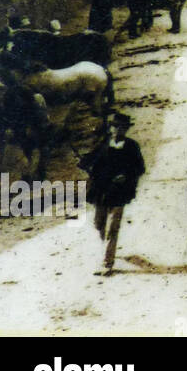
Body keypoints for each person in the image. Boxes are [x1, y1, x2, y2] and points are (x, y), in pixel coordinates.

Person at [78, 112, 146, 276]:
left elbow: (140, 168)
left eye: (122, 127)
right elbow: (90, 160)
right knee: (98, 224)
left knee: (112, 228)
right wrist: (82, 162)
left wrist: (127, 175)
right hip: (101, 191)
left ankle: (107, 262)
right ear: (111, 128)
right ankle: (108, 251)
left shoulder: (132, 147)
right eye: (115, 127)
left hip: (120, 192)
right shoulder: (103, 144)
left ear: (126, 129)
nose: (118, 130)